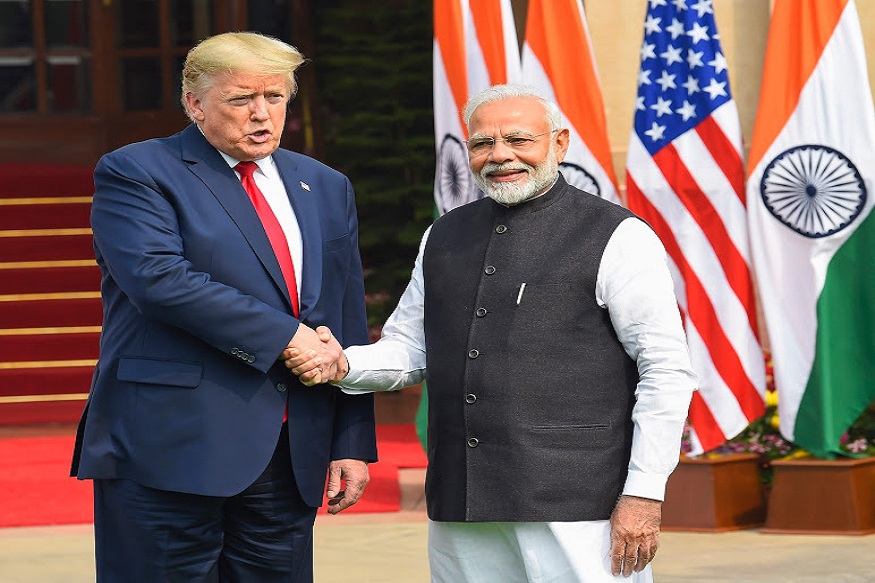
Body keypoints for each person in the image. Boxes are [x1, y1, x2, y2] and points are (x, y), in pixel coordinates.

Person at [285, 84, 697, 582]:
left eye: (519, 140)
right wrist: (343, 364)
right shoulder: (443, 234)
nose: (499, 155)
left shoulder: (618, 235)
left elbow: (666, 370)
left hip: (579, 502)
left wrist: (644, 491)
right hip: (462, 497)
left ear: (560, 144)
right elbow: (411, 348)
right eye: (482, 143)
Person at [70, 31, 376, 582]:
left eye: (275, 97)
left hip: (290, 450)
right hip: (170, 445)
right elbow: (158, 279)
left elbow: (345, 315)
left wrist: (351, 441)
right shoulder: (137, 171)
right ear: (194, 104)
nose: (262, 114)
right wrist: (286, 337)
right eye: (240, 99)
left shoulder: (326, 186)